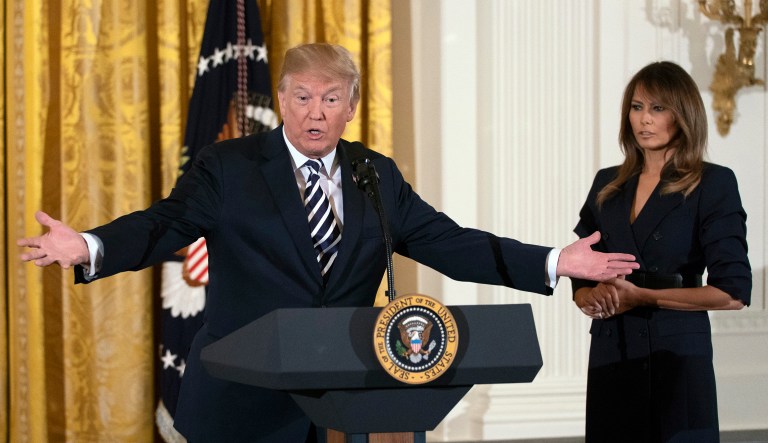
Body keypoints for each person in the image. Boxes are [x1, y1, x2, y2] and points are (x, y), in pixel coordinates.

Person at [18, 43, 639, 443]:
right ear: (283, 100)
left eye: (331, 99)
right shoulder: (229, 167)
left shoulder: (376, 174)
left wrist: (556, 261)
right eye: (303, 97)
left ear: (352, 106)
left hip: (339, 408)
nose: (316, 112)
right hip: (240, 405)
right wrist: (92, 247)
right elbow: (166, 223)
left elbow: (448, 242)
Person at [571, 61, 751, 443]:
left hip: (677, 354)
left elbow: (733, 293)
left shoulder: (713, 183)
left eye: (657, 108)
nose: (644, 120)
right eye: (637, 107)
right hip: (612, 350)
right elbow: (582, 268)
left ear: (682, 115)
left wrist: (642, 296)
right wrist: (589, 296)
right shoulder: (608, 184)